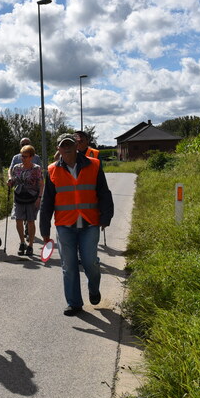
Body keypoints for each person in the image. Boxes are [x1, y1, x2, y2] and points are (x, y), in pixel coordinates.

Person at [39, 134, 114, 316]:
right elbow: (47, 202)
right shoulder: (52, 170)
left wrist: (106, 217)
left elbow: (104, 192)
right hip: (65, 225)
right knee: (69, 266)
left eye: (70, 145)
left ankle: (94, 289)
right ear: (58, 149)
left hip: (89, 222)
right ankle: (74, 303)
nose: (67, 148)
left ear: (76, 147)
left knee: (90, 263)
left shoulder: (93, 165)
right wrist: (44, 229)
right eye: (63, 146)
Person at [8, 144, 43, 256]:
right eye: (22, 156)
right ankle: (22, 243)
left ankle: (30, 245)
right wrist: (10, 182)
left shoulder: (36, 169)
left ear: (31, 157)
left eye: (25, 156)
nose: (23, 158)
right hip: (19, 196)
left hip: (32, 197)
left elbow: (41, 184)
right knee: (18, 219)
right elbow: (14, 180)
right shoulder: (16, 167)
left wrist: (39, 198)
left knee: (30, 221)